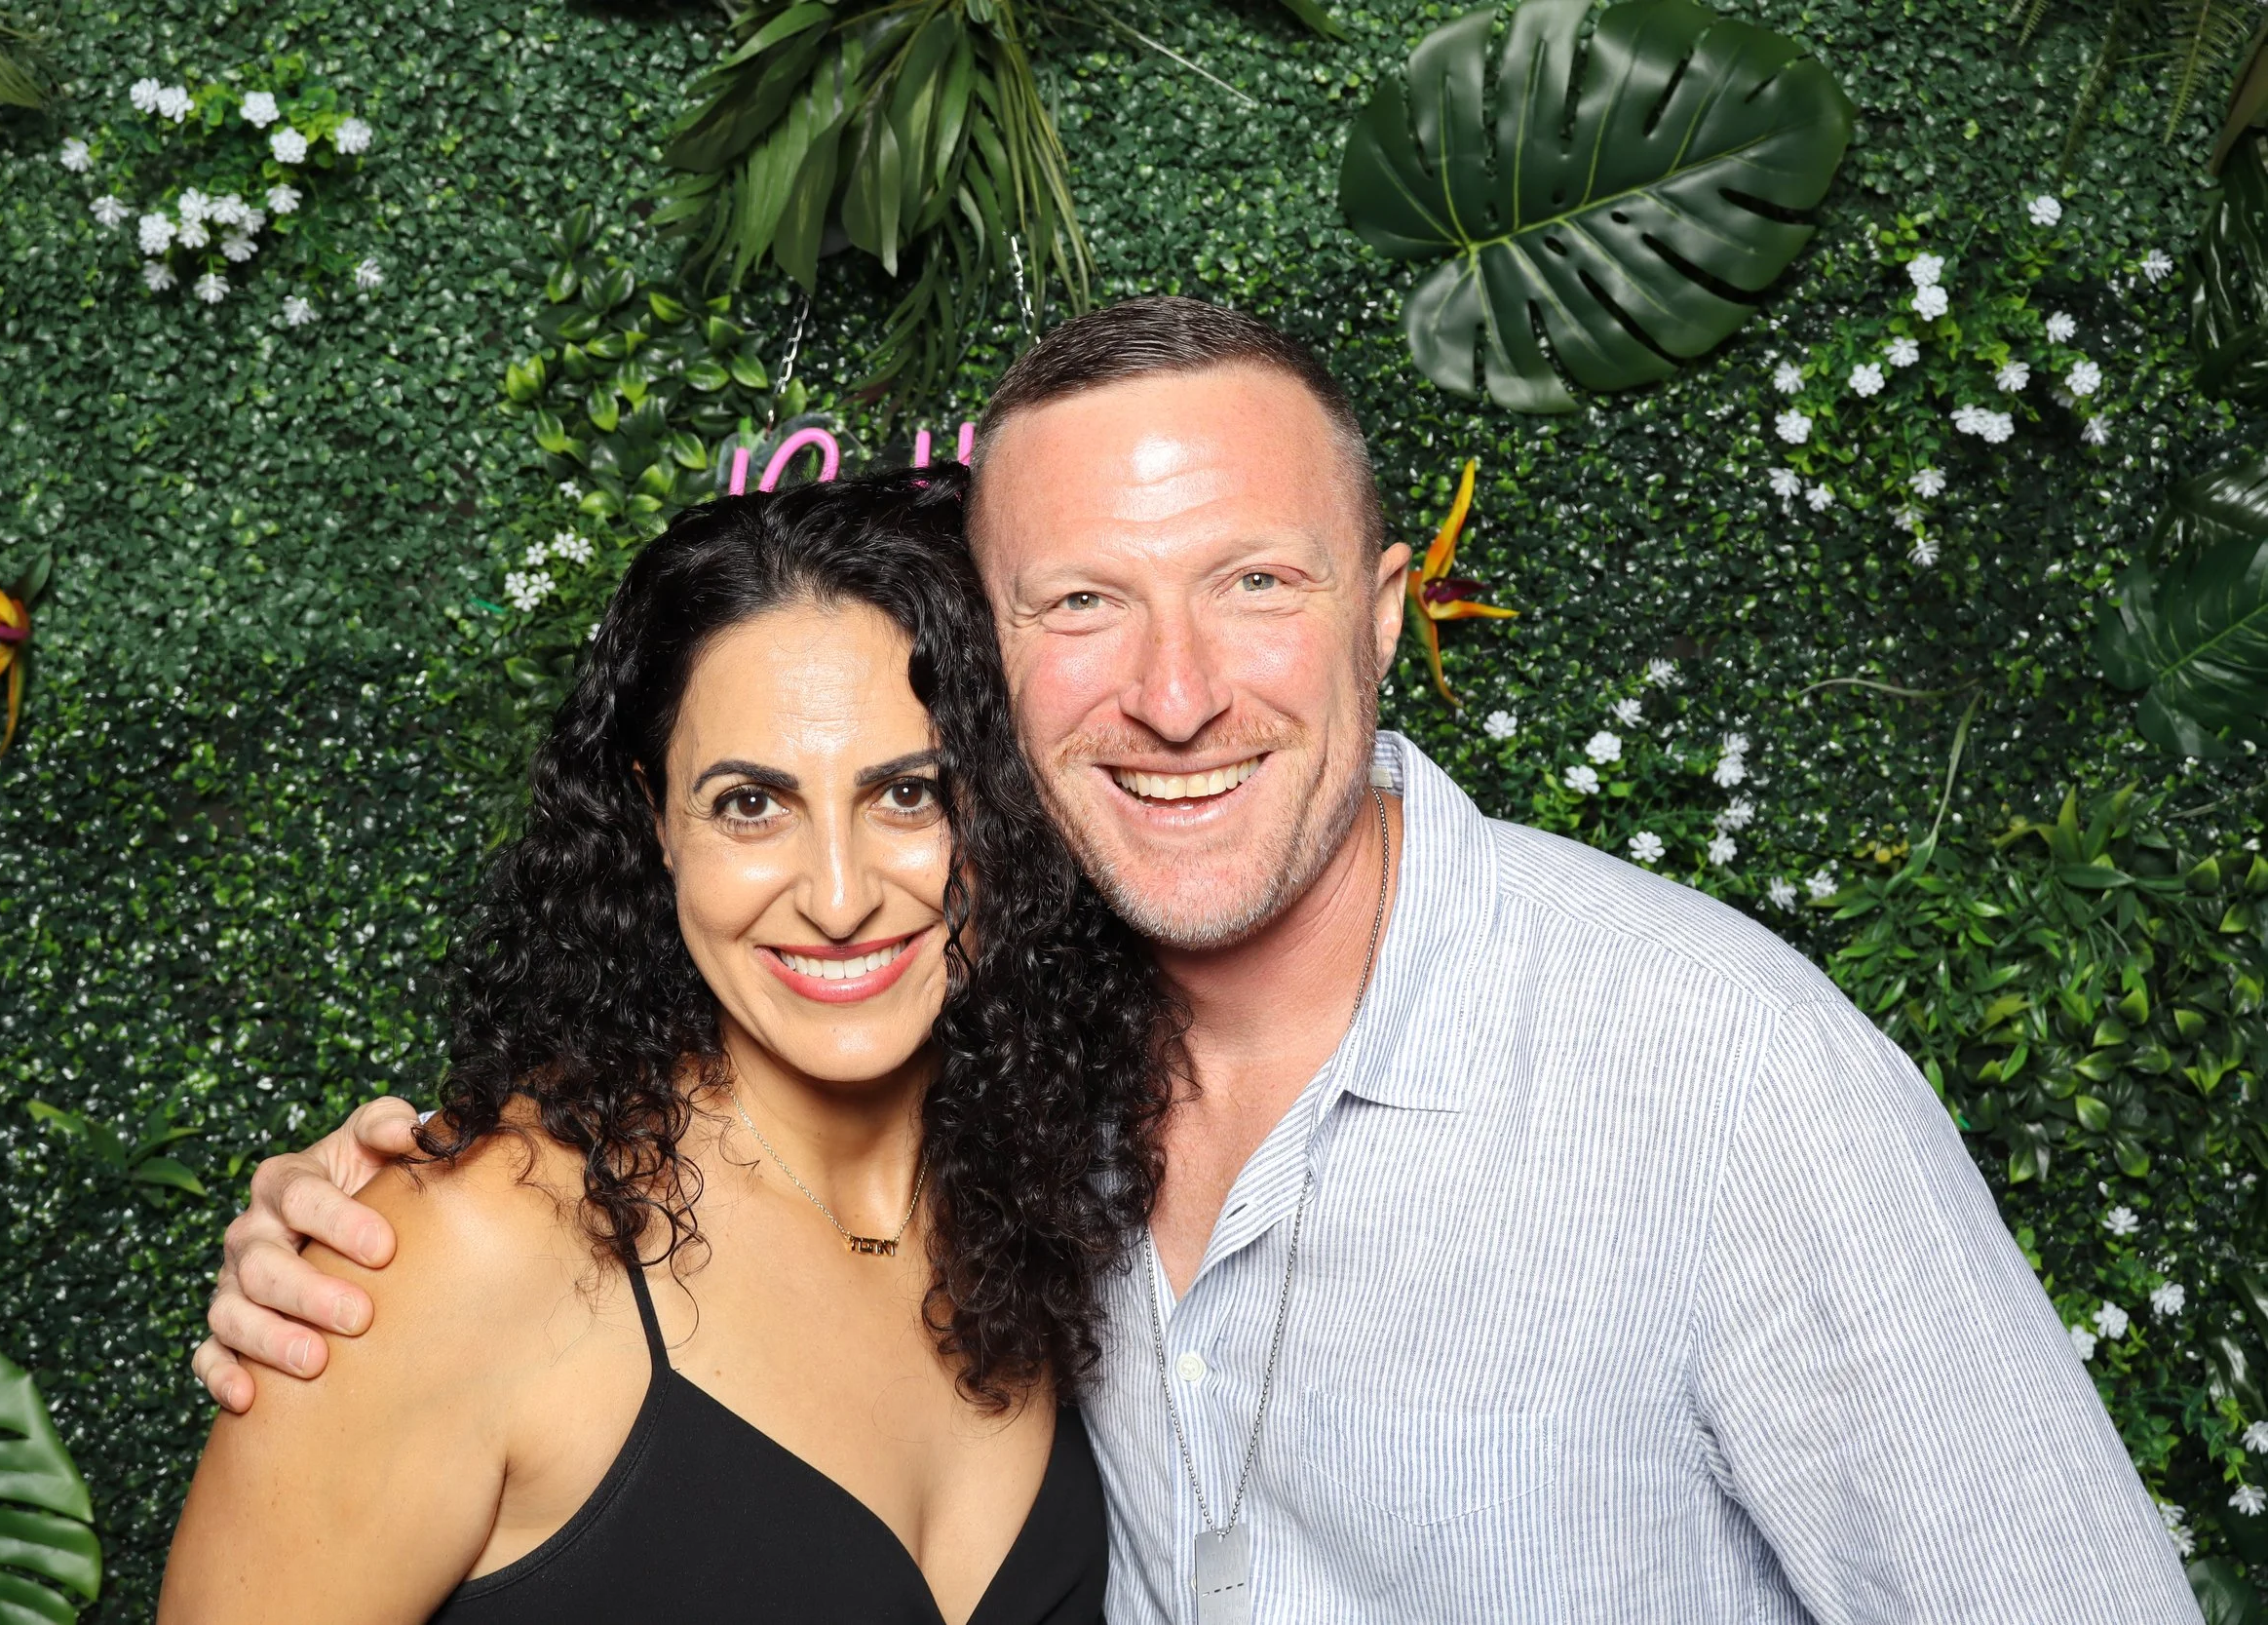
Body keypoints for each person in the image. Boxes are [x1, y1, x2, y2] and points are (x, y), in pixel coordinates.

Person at [196, 297, 2200, 1622]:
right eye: (1082, 601)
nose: (1170, 693)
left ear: (1386, 611)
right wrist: (359, 1243)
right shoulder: (1050, 1104)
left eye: (1252, 582)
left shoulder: (1715, 1073)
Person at [159, 471, 1172, 1622]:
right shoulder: (463, 1247)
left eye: (908, 793)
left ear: (1001, 806)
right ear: (655, 820)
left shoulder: (1062, 1190)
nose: (838, 897)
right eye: (751, 803)